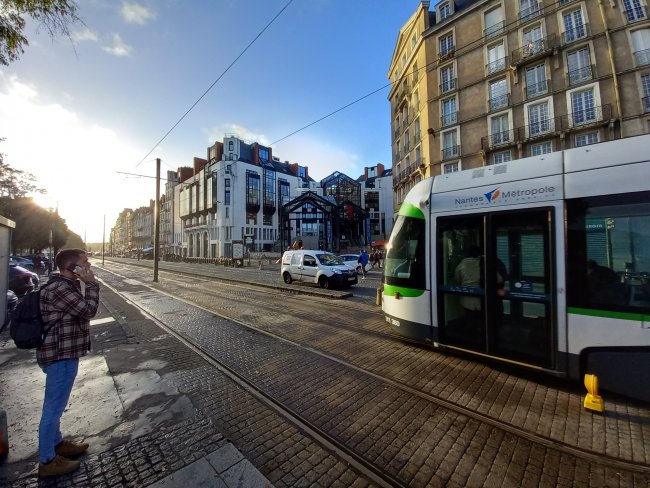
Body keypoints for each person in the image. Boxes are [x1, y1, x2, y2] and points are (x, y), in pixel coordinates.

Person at [36, 248, 100, 477]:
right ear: (72, 267)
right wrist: (91, 284)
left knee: (56, 405)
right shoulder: (60, 288)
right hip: (60, 355)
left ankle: (57, 444)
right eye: (85, 261)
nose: (89, 264)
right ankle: (47, 461)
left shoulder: (64, 285)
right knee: (53, 408)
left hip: (64, 352)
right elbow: (88, 310)